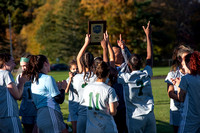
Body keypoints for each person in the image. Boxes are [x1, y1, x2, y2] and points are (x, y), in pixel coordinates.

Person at [118, 21, 156, 133]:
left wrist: (106, 47)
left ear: (128, 65)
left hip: (135, 117)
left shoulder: (125, 77)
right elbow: (149, 56)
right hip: (149, 115)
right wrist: (148, 36)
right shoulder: (146, 73)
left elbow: (110, 69)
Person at [24, 55, 68, 133]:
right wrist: (62, 88)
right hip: (50, 113)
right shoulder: (47, 78)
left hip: (40, 115)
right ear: (45, 63)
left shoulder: (34, 79)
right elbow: (59, 100)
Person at [83, 61, 118, 133]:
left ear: (95, 73)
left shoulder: (87, 88)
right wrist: (116, 105)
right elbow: (113, 112)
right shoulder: (109, 89)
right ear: (108, 74)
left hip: (91, 127)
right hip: (106, 127)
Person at [165, 45, 193, 133]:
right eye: (186, 58)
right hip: (177, 110)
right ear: (179, 59)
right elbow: (170, 93)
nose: (189, 60)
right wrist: (182, 98)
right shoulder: (173, 74)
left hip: (190, 110)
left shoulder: (193, 74)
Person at [74, 34, 97, 133]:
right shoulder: (97, 77)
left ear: (81, 64)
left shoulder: (77, 77)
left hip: (82, 115)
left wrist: (86, 43)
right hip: (95, 114)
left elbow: (78, 57)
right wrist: (105, 46)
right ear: (93, 63)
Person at [174, 51, 200, 133]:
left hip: (190, 118)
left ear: (189, 63)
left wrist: (178, 85)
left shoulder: (186, 79)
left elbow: (181, 98)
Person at [0, 53, 26, 133]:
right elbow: (17, 95)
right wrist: (22, 83)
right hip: (9, 115)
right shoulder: (6, 74)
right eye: (12, 61)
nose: (15, 64)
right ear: (5, 63)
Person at [16, 55, 37, 133]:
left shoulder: (37, 75)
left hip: (38, 109)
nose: (23, 68)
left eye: (25, 65)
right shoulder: (19, 77)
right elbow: (19, 97)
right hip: (26, 109)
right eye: (21, 66)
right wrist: (20, 84)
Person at [65, 60, 79, 133]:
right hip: (73, 104)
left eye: (77, 69)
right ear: (70, 70)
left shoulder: (81, 78)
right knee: (75, 128)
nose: (75, 71)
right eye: (73, 69)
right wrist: (70, 79)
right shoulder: (68, 79)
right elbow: (66, 91)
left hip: (81, 104)